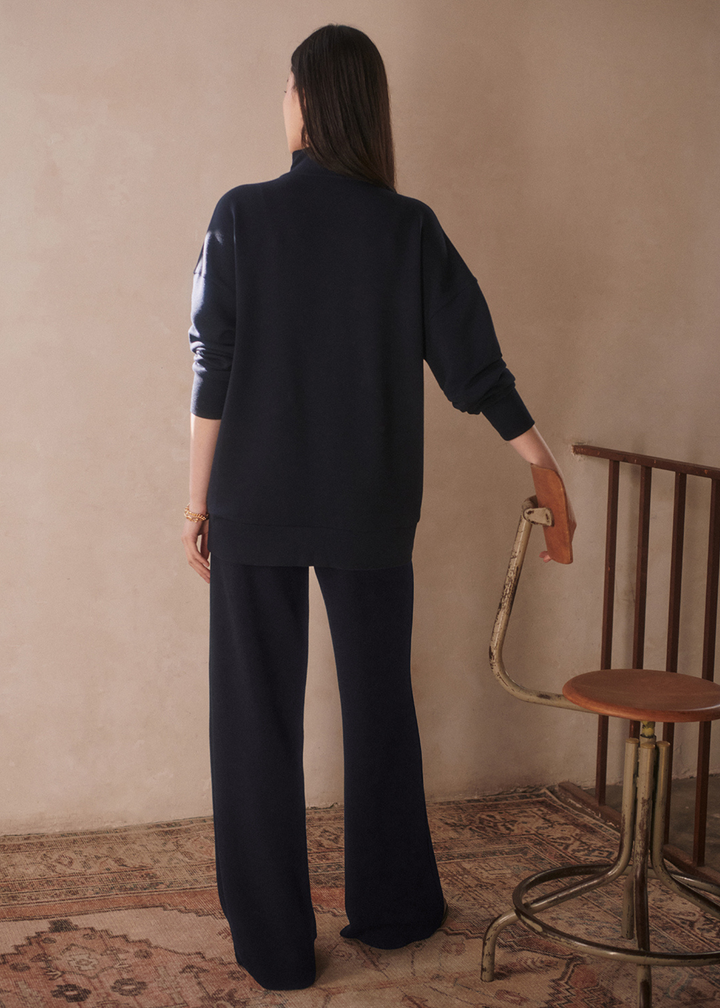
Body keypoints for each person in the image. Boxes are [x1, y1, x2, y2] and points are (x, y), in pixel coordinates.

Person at [181, 23, 575, 992]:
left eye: (287, 89)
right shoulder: (409, 230)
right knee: (380, 711)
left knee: (252, 724)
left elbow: (211, 370)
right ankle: (394, 910)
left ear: (311, 103)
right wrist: (544, 466)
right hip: (367, 509)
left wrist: (195, 504)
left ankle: (275, 949)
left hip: (254, 507)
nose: (281, 103)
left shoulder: (240, 216)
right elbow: (474, 364)